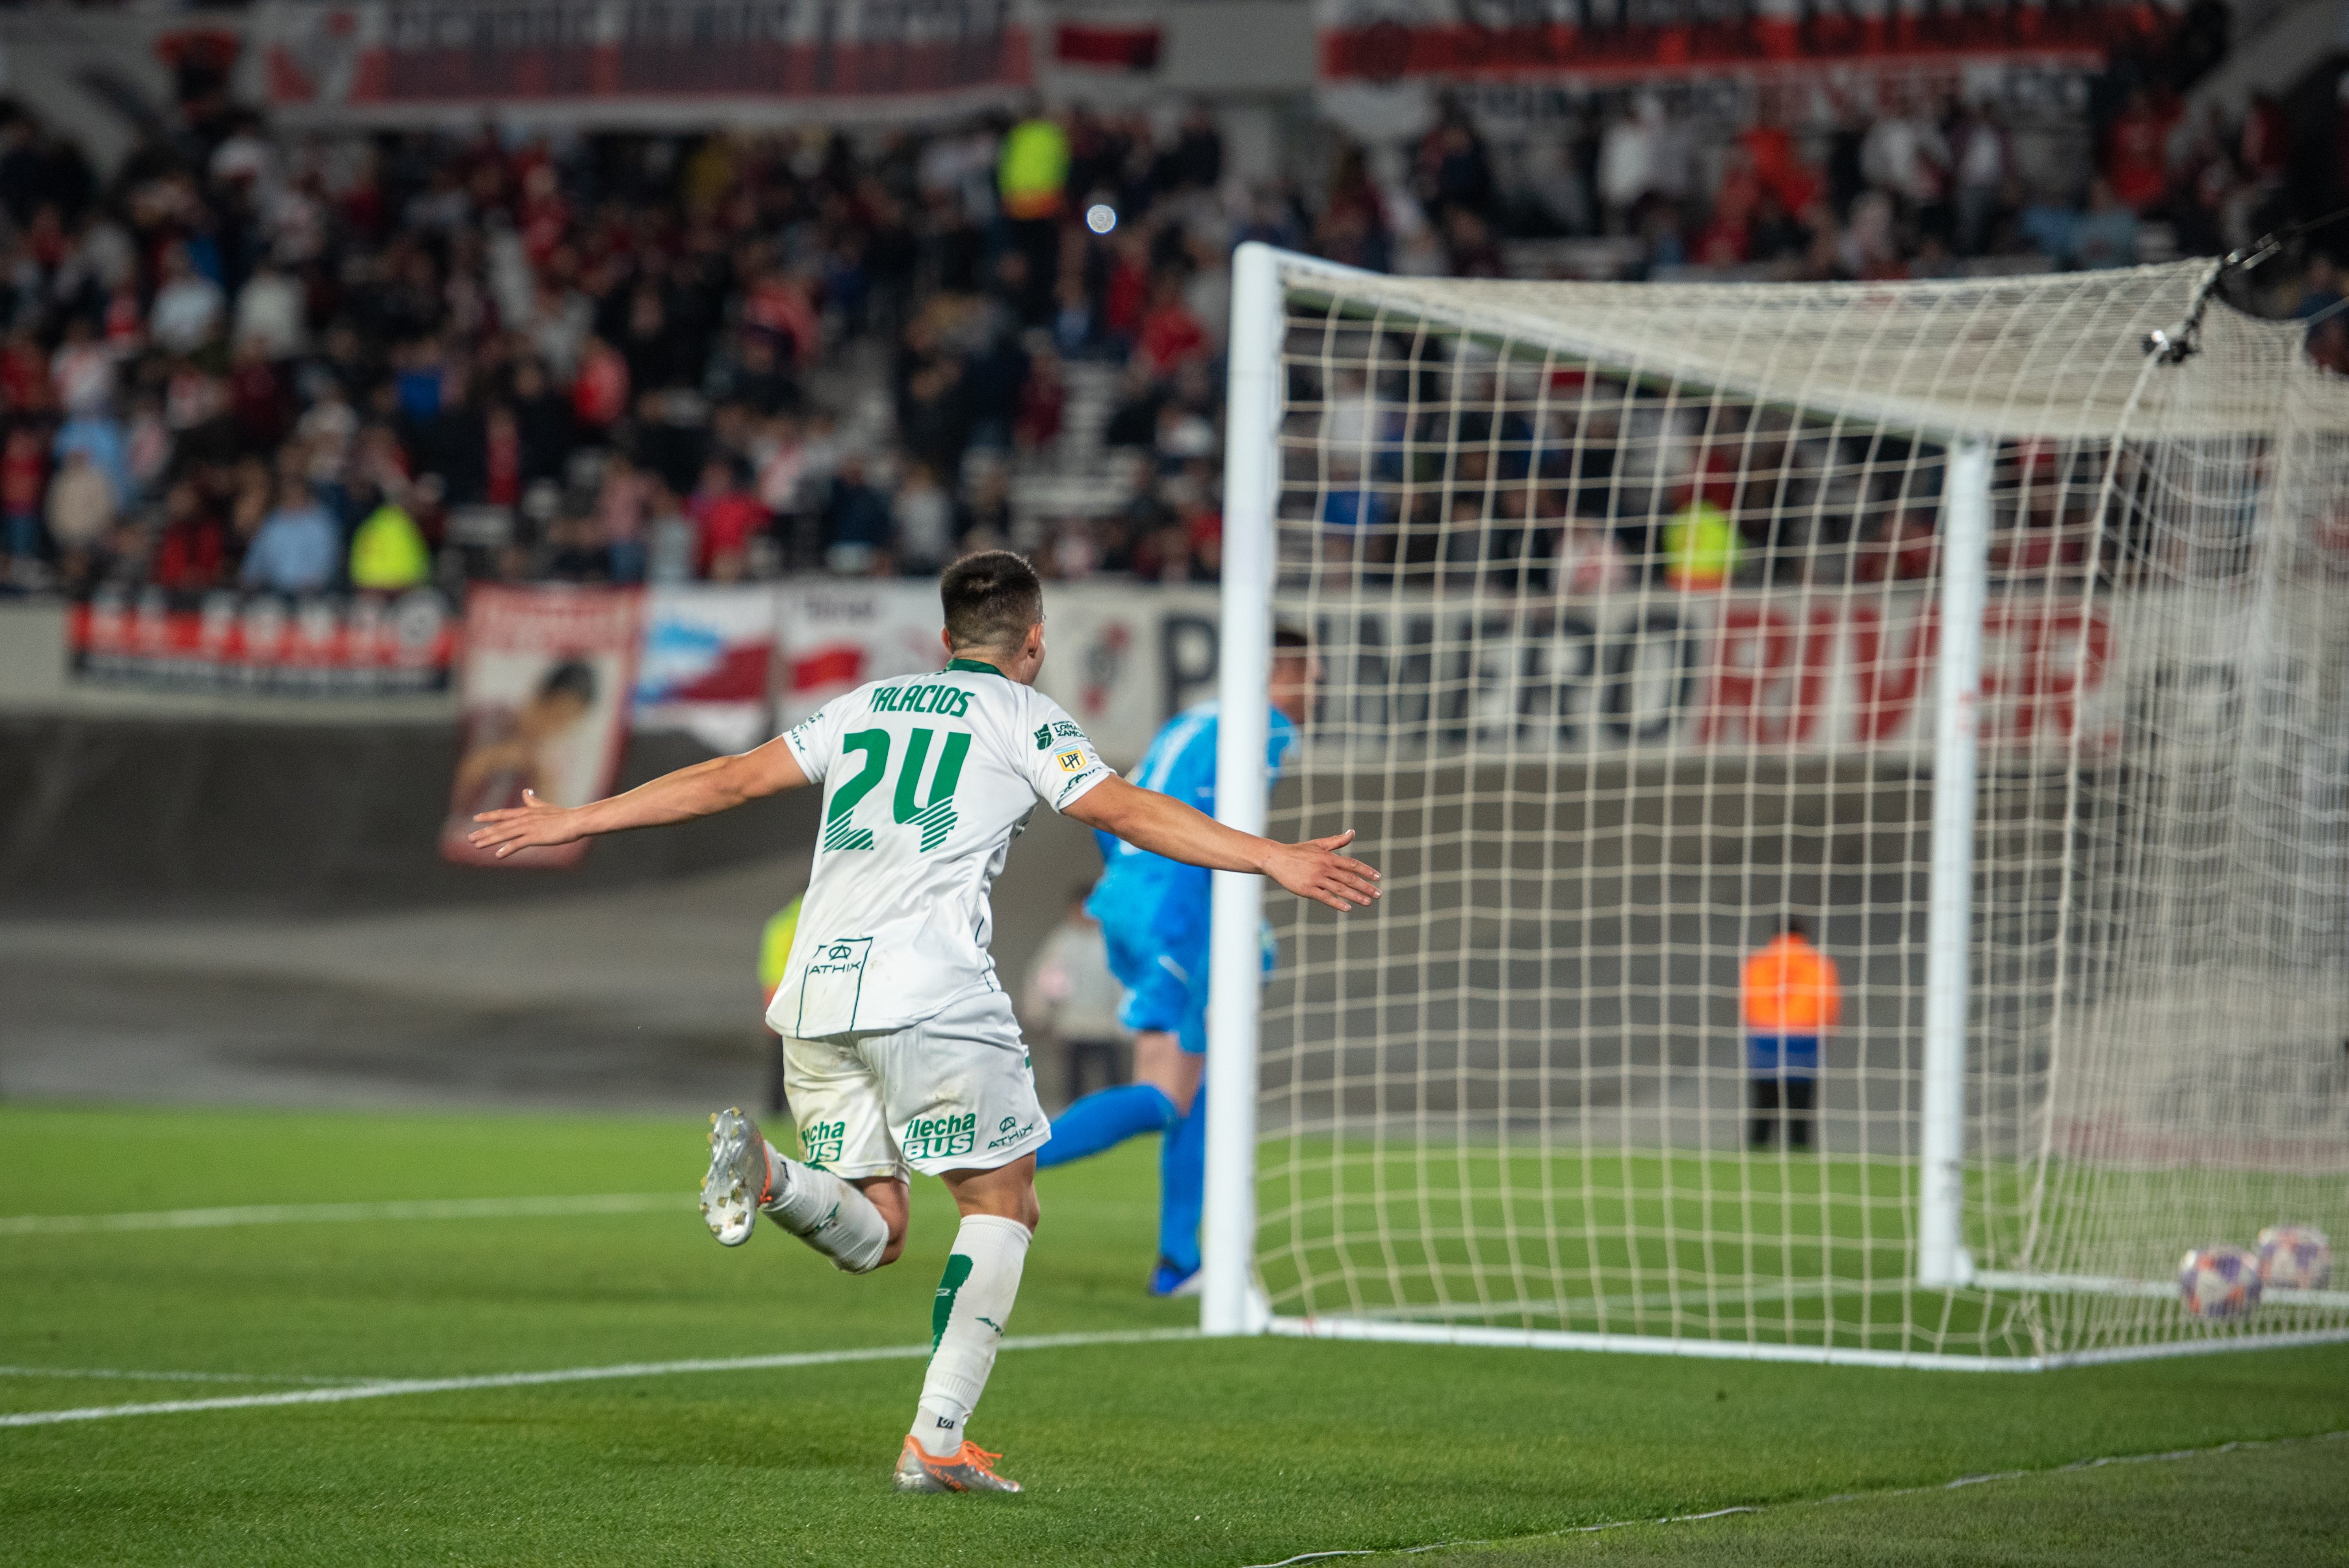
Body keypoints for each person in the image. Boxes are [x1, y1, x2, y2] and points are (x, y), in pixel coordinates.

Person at [465, 552, 1376, 1495]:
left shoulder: (865, 704)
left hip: (816, 994)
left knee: (882, 1229)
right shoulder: (1025, 714)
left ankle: (771, 1173)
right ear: (1034, 640)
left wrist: (579, 818)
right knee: (1003, 1203)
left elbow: (734, 778)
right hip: (930, 990)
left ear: (945, 638)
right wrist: (1271, 855)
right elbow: (1126, 808)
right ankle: (936, 1439)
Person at [1034, 627, 1314, 1297]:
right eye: (1311, 676)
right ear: (1283, 672)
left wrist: (1131, 892)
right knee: (1168, 1092)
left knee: (1203, 1082)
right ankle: (999, 1157)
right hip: (1176, 909)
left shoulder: (1190, 722)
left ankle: (1179, 1262)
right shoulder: (1265, 729)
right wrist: (1228, 924)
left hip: (1134, 898)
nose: (1315, 693)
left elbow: (1123, 813)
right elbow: (1222, 836)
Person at [1742, 915, 1840, 1151]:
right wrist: (1827, 1032)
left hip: (1765, 1035)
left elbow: (1747, 1000)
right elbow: (1828, 1002)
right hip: (1804, 1035)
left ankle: (1757, 1148)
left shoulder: (1758, 962)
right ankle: (1799, 1148)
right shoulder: (1817, 963)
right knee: (1800, 1101)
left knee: (1765, 1099)